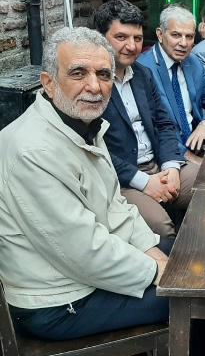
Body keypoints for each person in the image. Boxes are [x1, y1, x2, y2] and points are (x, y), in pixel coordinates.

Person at [0, 27, 171, 340]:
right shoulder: (32, 150)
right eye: (78, 73)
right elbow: (81, 252)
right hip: (57, 302)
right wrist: (156, 270)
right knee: (197, 300)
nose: (95, 86)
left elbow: (115, 204)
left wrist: (151, 250)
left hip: (84, 271)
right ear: (48, 83)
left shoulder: (83, 123)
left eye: (104, 75)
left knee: (187, 255)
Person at [95, 0, 199, 239]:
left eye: (138, 38)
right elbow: (95, 148)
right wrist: (144, 182)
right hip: (123, 179)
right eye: (121, 37)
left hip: (158, 164)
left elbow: (164, 124)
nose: (131, 46)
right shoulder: (94, 84)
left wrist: (171, 166)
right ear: (101, 39)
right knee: (161, 228)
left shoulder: (143, 74)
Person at [137, 5, 205, 156]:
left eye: (189, 37)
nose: (184, 43)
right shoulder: (143, 68)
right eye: (176, 35)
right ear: (160, 34)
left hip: (197, 144)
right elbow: (152, 129)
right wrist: (188, 157)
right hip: (167, 153)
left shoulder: (193, 62)